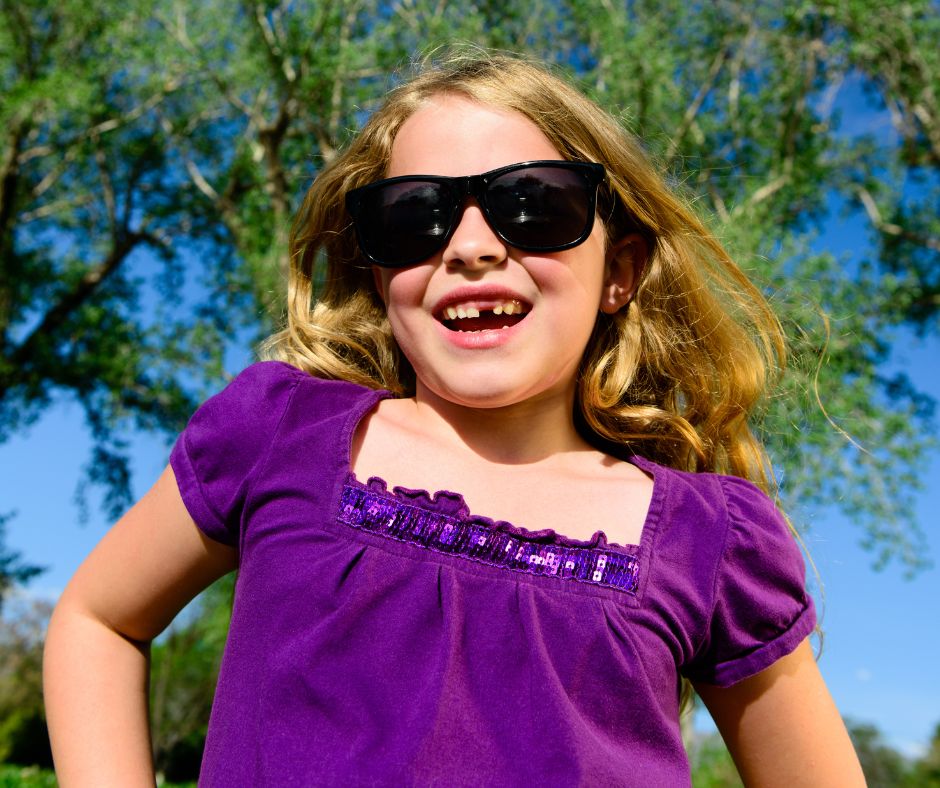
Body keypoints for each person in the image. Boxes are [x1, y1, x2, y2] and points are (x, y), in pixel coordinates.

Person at [43, 53, 865, 786]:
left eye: (533, 206)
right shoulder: (278, 433)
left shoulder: (708, 540)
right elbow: (98, 621)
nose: (470, 245)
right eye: (415, 216)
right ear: (374, 268)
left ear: (620, 271)